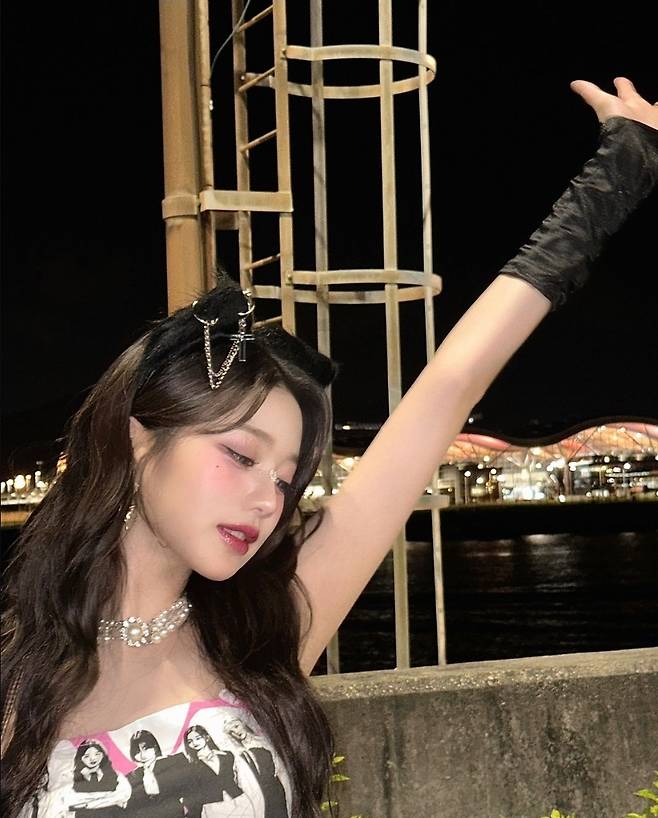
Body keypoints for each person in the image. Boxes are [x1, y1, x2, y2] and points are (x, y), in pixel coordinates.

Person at [2, 77, 657, 818]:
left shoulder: (263, 628)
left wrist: (619, 173)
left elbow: (449, 387)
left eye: (288, 479)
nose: (268, 501)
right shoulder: (18, 673)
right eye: (241, 456)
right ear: (136, 441)